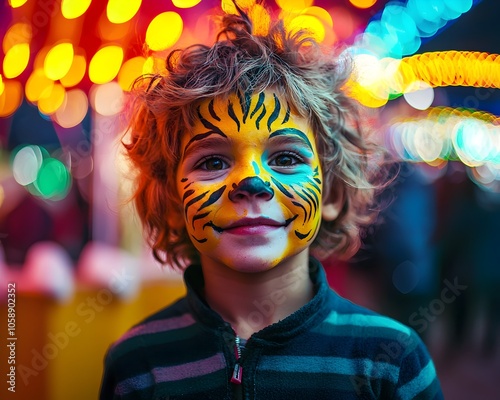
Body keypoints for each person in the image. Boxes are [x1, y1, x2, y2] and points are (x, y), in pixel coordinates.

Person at [99, 3, 443, 399]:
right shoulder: (137, 366)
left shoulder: (392, 362)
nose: (252, 182)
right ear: (174, 201)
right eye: (212, 161)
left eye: (285, 158)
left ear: (330, 194)